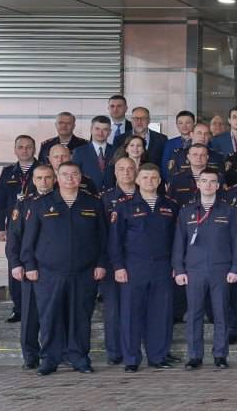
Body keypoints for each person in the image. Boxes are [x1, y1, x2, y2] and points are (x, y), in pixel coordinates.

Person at [21, 162, 107, 376]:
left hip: (84, 272)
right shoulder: (41, 204)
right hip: (49, 273)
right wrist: (29, 265)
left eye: (74, 174)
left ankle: (79, 358)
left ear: (81, 177)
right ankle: (50, 359)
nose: (70, 178)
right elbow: (28, 239)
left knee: (80, 317)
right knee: (50, 317)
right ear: (57, 178)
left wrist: (101, 263)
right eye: (65, 175)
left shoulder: (93, 203)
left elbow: (103, 238)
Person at [172, 168, 237, 370]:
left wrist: (236, 268)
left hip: (221, 270)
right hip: (194, 270)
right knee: (194, 314)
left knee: (221, 314)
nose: (208, 185)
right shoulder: (186, 211)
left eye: (212, 181)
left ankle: (220, 355)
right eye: (204, 181)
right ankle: (195, 356)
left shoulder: (229, 211)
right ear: (198, 184)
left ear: (218, 186)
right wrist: (179, 269)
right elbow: (179, 243)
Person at [109, 164, 176, 372]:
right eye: (145, 177)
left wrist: (177, 266)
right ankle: (131, 359)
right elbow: (115, 240)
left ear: (160, 181)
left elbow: (177, 239)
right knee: (131, 314)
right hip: (133, 267)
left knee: (160, 313)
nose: (149, 181)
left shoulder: (170, 206)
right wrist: (118, 266)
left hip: (163, 267)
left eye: (154, 178)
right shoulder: (124, 206)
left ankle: (158, 356)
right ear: (137, 180)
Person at [10, 165, 53, 369]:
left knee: (53, 313)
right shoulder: (24, 203)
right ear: (33, 181)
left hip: (53, 267)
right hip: (30, 266)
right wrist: (16, 264)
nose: (44, 182)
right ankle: (30, 356)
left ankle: (53, 353)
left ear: (54, 179)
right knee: (30, 315)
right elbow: (14, 237)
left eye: (47, 177)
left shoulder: (60, 201)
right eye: (39, 178)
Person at [97, 156, 138, 366]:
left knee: (136, 308)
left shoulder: (146, 195)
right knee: (113, 310)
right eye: (122, 169)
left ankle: (134, 349)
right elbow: (100, 233)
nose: (126, 172)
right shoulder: (105, 199)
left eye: (130, 168)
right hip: (112, 263)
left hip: (138, 262)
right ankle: (114, 352)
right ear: (115, 172)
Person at [0, 134, 37, 324]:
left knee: (35, 266)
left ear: (34, 149)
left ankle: (36, 306)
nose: (25, 150)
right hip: (14, 228)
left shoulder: (43, 170)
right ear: (15, 150)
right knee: (15, 266)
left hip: (37, 227)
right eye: (21, 147)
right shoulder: (8, 172)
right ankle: (19, 308)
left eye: (28, 147)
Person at [73, 116, 115, 189]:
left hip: (112, 194)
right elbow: (75, 174)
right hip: (88, 193)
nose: (100, 133)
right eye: (97, 129)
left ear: (109, 132)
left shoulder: (116, 151)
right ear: (91, 129)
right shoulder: (79, 152)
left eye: (105, 129)